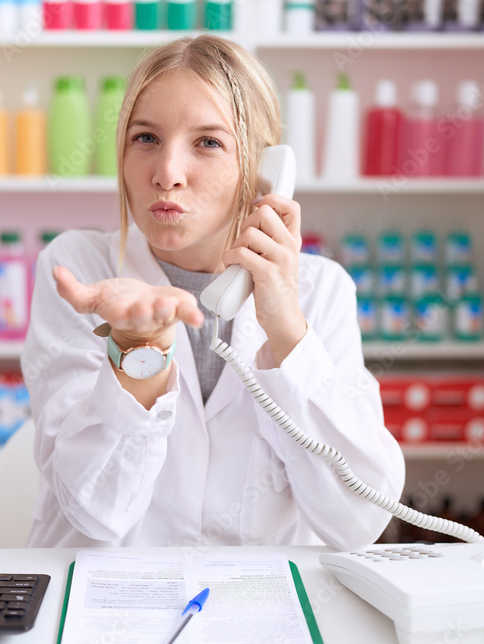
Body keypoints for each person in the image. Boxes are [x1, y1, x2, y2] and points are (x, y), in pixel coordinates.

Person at [22, 34, 405, 550]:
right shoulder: (78, 269)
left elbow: (357, 522)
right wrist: (139, 354)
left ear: (264, 171)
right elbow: (96, 512)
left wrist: (288, 332)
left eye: (208, 142)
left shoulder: (321, 291)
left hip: (261, 607)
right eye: (146, 138)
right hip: (106, 601)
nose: (167, 175)